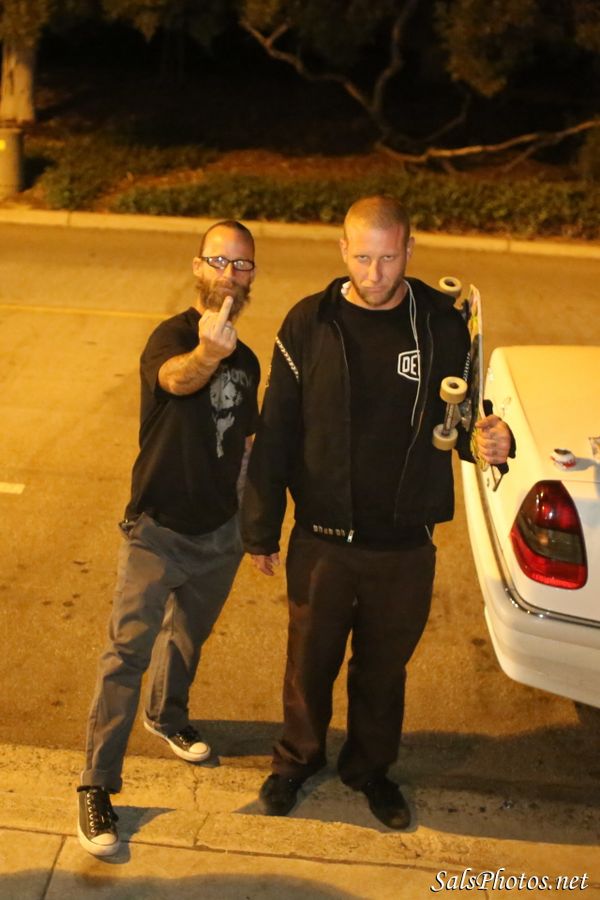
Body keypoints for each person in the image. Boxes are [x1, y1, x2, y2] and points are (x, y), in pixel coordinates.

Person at [241, 195, 512, 830]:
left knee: (383, 671)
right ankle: (296, 759)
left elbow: (465, 422)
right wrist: (260, 527)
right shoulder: (309, 322)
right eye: (362, 258)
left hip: (405, 541)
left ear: (409, 250)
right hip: (323, 536)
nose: (374, 273)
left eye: (388, 258)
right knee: (309, 662)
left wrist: (495, 441)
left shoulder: (442, 324)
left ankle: (370, 770)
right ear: (343, 250)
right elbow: (277, 429)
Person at [78, 220, 260, 857]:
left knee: (186, 636)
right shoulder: (174, 338)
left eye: (242, 265)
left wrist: (250, 527)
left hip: (220, 534)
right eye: (220, 261)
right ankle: (96, 785)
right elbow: (178, 380)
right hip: (155, 532)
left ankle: (167, 716)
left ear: (252, 277)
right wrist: (208, 353)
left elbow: (245, 447)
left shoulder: (249, 360)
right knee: (125, 654)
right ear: (197, 266)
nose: (230, 275)